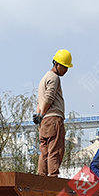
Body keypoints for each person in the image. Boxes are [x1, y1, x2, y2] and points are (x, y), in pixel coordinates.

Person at [35, 49, 72, 177]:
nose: (66, 70)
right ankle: (53, 178)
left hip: (45, 121)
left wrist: (40, 116)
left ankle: (42, 177)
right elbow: (48, 98)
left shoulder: (44, 78)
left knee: (44, 151)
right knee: (55, 150)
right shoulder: (54, 77)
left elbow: (40, 101)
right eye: (64, 67)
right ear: (56, 64)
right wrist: (42, 114)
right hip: (53, 119)